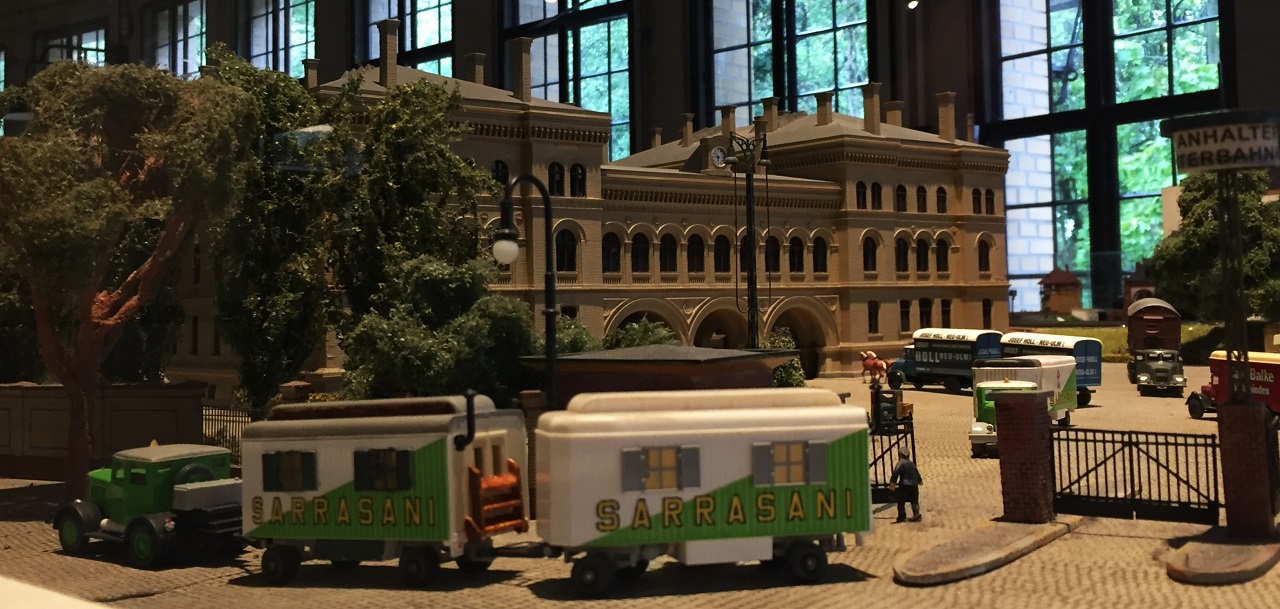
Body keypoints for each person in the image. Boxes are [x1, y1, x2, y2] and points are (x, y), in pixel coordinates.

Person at [890, 448, 922, 523]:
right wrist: (920, 481)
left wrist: (892, 486)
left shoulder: (900, 463)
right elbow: (917, 474)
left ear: (900, 454)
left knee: (901, 501)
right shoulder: (912, 464)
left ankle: (902, 516)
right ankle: (916, 514)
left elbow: (895, 474)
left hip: (904, 485)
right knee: (914, 501)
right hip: (914, 485)